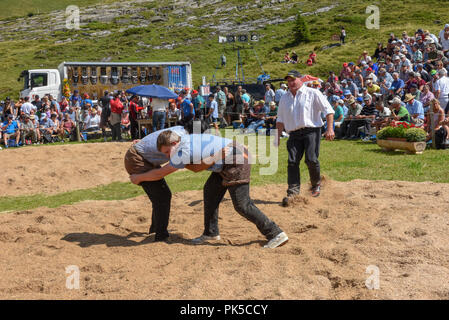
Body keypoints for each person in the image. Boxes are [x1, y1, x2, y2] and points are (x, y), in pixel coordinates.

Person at [130, 131, 289, 248]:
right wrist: (142, 142)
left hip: (235, 159)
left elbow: (164, 172)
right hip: (229, 158)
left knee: (242, 204)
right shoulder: (181, 136)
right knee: (210, 192)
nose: (166, 156)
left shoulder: (182, 152)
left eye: (166, 152)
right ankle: (211, 233)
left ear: (173, 144)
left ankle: (275, 233)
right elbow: (194, 165)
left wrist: (139, 178)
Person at [276, 70, 335, 205]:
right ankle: (293, 193)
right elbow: (280, 119)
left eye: (293, 80)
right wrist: (277, 136)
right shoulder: (284, 98)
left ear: (300, 79)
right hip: (294, 134)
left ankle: (316, 184)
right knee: (292, 162)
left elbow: (329, 111)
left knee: (311, 159)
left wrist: (330, 129)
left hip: (311, 131)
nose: (291, 83)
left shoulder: (313, 93)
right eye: (288, 81)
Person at [124, 126, 188, 242]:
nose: (168, 155)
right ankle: (160, 236)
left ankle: (155, 230)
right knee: (162, 196)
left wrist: (144, 142)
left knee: (161, 195)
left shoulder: (180, 130)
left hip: (143, 157)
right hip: (137, 159)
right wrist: (138, 177)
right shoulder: (182, 143)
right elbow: (161, 173)